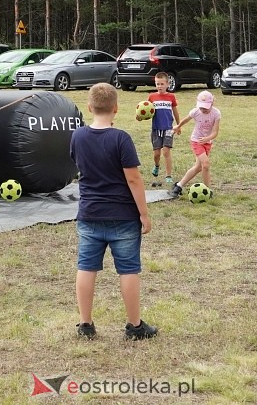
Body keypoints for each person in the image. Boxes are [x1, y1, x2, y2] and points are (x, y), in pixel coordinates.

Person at [70, 82, 156, 340]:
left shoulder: (77, 136)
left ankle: (85, 324)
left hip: (90, 213)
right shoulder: (121, 138)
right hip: (124, 217)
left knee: (86, 267)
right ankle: (134, 326)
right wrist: (144, 214)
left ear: (89, 107)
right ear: (116, 108)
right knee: (129, 270)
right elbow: (134, 179)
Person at [171, 90, 222, 197]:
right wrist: (178, 126)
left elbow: (215, 132)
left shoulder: (216, 114)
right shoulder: (196, 112)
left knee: (198, 167)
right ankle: (207, 191)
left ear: (212, 103)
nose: (203, 109)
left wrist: (207, 138)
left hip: (207, 142)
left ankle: (179, 185)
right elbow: (186, 119)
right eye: (201, 107)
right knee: (206, 164)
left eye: (205, 107)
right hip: (196, 141)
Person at [146, 72, 179, 187]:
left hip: (168, 129)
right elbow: (146, 111)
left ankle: (168, 175)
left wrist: (178, 125)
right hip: (156, 129)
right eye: (157, 84)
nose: (159, 86)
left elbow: (175, 111)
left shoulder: (171, 97)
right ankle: (156, 165)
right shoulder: (152, 97)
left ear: (167, 84)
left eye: (161, 84)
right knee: (156, 154)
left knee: (166, 151)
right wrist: (140, 116)